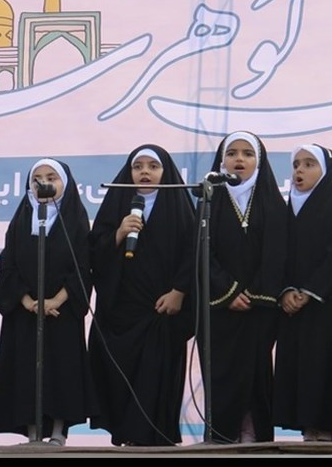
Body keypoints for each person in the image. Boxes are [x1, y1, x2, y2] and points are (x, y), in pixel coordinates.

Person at [88, 144, 196, 446]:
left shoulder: (179, 207)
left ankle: (155, 438)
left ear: (165, 172)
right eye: (138, 167)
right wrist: (119, 234)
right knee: (121, 374)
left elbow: (193, 252)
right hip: (122, 310)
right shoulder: (117, 205)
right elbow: (94, 253)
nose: (145, 172)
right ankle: (127, 436)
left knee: (157, 375)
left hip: (163, 308)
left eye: (152, 166)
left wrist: (179, 292)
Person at [0, 158, 96, 446]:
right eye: (38, 178)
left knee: (61, 369)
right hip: (25, 313)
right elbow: (8, 265)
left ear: (65, 184)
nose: (44, 183)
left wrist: (55, 300)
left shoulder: (76, 219)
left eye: (51, 177)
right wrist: (27, 301)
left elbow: (82, 266)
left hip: (62, 312)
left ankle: (59, 432)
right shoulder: (21, 219)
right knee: (26, 370)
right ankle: (33, 433)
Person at [203, 131, 287, 443]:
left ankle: (254, 436)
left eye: (247, 154)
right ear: (221, 161)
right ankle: (221, 437)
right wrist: (227, 291)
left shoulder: (273, 203)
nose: (239, 159)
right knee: (222, 374)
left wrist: (253, 293)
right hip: (220, 308)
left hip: (258, 308)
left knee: (255, 374)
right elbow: (202, 252)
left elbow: (277, 254)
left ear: (259, 162)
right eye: (232, 153)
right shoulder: (208, 202)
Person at [273, 144, 332, 442]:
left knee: (321, 365)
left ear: (327, 173)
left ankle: (325, 430)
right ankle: (308, 429)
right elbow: (277, 255)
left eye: (309, 164)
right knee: (298, 367)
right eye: (296, 165)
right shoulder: (285, 209)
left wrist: (308, 291)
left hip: (324, 306)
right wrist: (285, 290)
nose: (299, 171)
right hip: (290, 306)